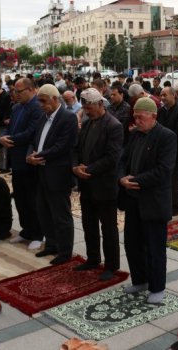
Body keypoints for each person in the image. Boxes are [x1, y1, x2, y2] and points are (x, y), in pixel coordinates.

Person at [119, 97, 176, 304]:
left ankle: (157, 287)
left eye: (140, 117)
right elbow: (123, 159)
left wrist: (135, 180)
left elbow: (164, 170)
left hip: (153, 201)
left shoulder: (166, 137)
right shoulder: (134, 135)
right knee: (132, 244)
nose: (136, 120)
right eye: (135, 116)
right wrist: (121, 178)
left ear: (153, 116)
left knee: (155, 248)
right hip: (133, 199)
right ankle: (140, 280)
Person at [71, 88, 123, 281]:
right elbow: (77, 149)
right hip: (87, 184)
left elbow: (112, 158)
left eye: (89, 106)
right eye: (84, 106)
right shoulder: (86, 123)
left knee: (108, 228)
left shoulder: (113, 125)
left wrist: (88, 170)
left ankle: (111, 265)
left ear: (101, 104)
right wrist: (76, 167)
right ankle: (93, 258)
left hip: (104, 185)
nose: (86, 110)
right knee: (89, 224)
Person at [27, 84, 78, 265]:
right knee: (44, 211)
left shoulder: (68, 118)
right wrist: (31, 155)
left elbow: (61, 146)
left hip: (58, 174)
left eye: (43, 101)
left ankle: (65, 251)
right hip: (41, 172)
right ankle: (51, 245)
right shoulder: (43, 117)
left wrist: (38, 156)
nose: (41, 105)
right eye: (39, 101)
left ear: (55, 99)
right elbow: (35, 140)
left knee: (60, 215)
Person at [1, 78, 45, 250]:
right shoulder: (16, 107)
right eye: (14, 91)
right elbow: (9, 126)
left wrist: (10, 139)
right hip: (16, 158)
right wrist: (3, 136)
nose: (15, 95)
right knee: (20, 198)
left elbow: (31, 133)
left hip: (28, 159)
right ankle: (26, 230)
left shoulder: (37, 107)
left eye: (19, 92)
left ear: (30, 89)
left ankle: (38, 233)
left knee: (32, 198)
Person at [157, 86, 178, 216]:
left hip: (176, 151)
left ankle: (176, 206)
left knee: (175, 180)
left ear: (173, 95)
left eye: (165, 95)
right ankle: (166, 203)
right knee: (164, 179)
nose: (162, 98)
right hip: (163, 150)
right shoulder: (161, 111)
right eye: (161, 95)